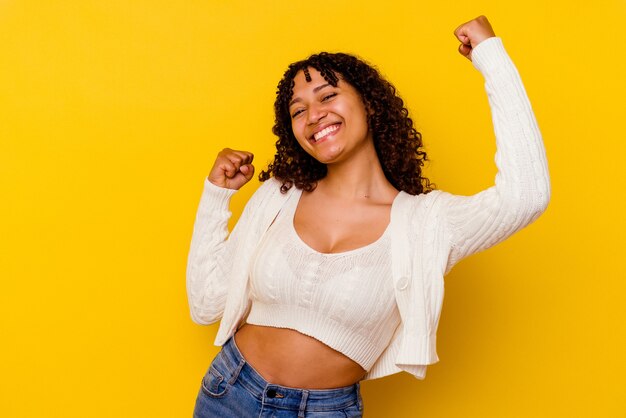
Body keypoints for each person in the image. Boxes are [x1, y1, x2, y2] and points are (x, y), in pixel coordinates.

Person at [187, 15, 550, 418]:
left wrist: (490, 55)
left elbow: (527, 195)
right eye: (298, 110)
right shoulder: (278, 196)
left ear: (368, 102)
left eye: (327, 96)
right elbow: (205, 304)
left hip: (326, 410)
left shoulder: (425, 223)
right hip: (229, 394)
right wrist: (216, 195)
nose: (313, 116)